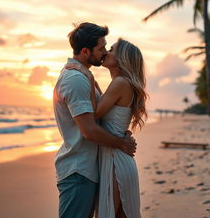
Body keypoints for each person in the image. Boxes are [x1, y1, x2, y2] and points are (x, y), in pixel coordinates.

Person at [53, 22, 137, 218]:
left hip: (90, 168)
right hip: (79, 170)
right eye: (100, 48)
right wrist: (122, 142)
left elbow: (100, 116)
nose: (104, 52)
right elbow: (89, 130)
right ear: (85, 51)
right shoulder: (76, 79)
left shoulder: (85, 77)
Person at [66, 38, 147, 218]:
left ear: (122, 58)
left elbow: (93, 114)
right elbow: (106, 113)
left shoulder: (120, 83)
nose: (106, 52)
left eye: (111, 49)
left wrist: (88, 76)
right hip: (117, 158)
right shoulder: (122, 84)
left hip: (115, 161)